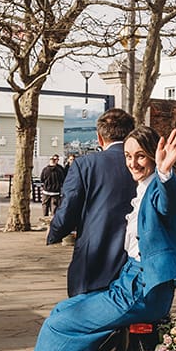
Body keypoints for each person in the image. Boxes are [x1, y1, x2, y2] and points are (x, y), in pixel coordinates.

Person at [0, 127, 176, 351]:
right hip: (132, 283)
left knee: (58, 324)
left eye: (141, 156)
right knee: (64, 311)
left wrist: (166, 170)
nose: (133, 163)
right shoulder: (143, 185)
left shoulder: (159, 185)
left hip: (139, 291)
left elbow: (171, 205)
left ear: (153, 155)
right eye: (129, 156)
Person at [47, 109, 137, 296]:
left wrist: (55, 232)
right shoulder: (146, 164)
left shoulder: (85, 164)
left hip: (96, 256)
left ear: (99, 137)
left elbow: (69, 206)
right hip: (138, 258)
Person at [39, 154, 66, 221]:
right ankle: (53, 220)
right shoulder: (59, 170)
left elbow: (42, 179)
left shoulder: (45, 170)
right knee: (54, 207)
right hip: (56, 192)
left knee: (45, 206)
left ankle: (45, 219)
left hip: (46, 191)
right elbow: (62, 180)